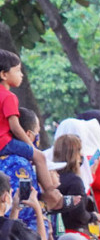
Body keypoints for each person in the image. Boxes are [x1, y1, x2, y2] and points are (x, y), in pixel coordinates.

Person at [0, 50, 61, 208]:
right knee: (40, 157)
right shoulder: (9, 97)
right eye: (18, 70)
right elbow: (15, 126)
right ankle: (50, 191)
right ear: (4, 75)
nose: (22, 75)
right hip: (4, 142)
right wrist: (30, 145)